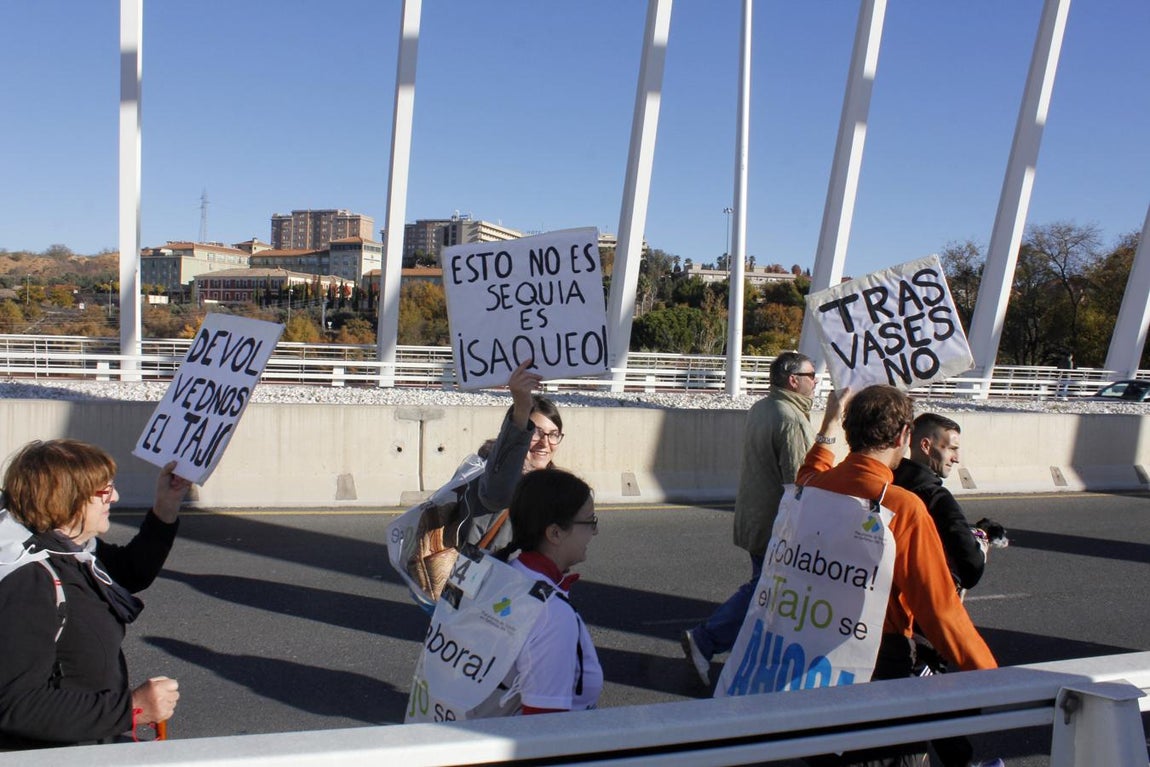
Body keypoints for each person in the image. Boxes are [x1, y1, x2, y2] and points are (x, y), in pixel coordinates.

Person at [799, 386, 997, 767]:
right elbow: (940, 610)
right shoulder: (902, 506)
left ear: (850, 429)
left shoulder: (814, 488)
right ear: (906, 437)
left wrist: (827, 423)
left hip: (815, 646)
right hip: (878, 658)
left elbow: (812, 468)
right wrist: (991, 677)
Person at [0, 439, 192, 749]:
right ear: (65, 499)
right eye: (103, 490)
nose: (114, 497)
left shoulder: (67, 548)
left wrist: (166, 504)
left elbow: (131, 571)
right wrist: (131, 708)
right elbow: (16, 703)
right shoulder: (28, 581)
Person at [681, 351, 817, 688]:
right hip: (777, 523)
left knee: (769, 591)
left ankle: (756, 655)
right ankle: (706, 639)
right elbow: (801, 481)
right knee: (767, 592)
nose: (816, 382)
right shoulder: (791, 418)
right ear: (793, 379)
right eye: (812, 375)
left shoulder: (763, 408)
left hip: (756, 517)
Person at [493, 468, 603, 714]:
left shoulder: (505, 576)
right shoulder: (551, 614)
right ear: (555, 533)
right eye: (590, 521)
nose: (595, 532)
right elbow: (545, 727)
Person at [455, 358, 563, 552]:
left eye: (554, 434)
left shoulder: (550, 486)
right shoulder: (493, 477)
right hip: (489, 577)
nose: (545, 443)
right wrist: (521, 406)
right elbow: (499, 491)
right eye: (535, 432)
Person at [892, 414, 986, 593]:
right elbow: (971, 568)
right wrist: (980, 547)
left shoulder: (885, 481)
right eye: (951, 449)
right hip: (916, 604)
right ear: (926, 446)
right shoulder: (937, 499)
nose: (956, 458)